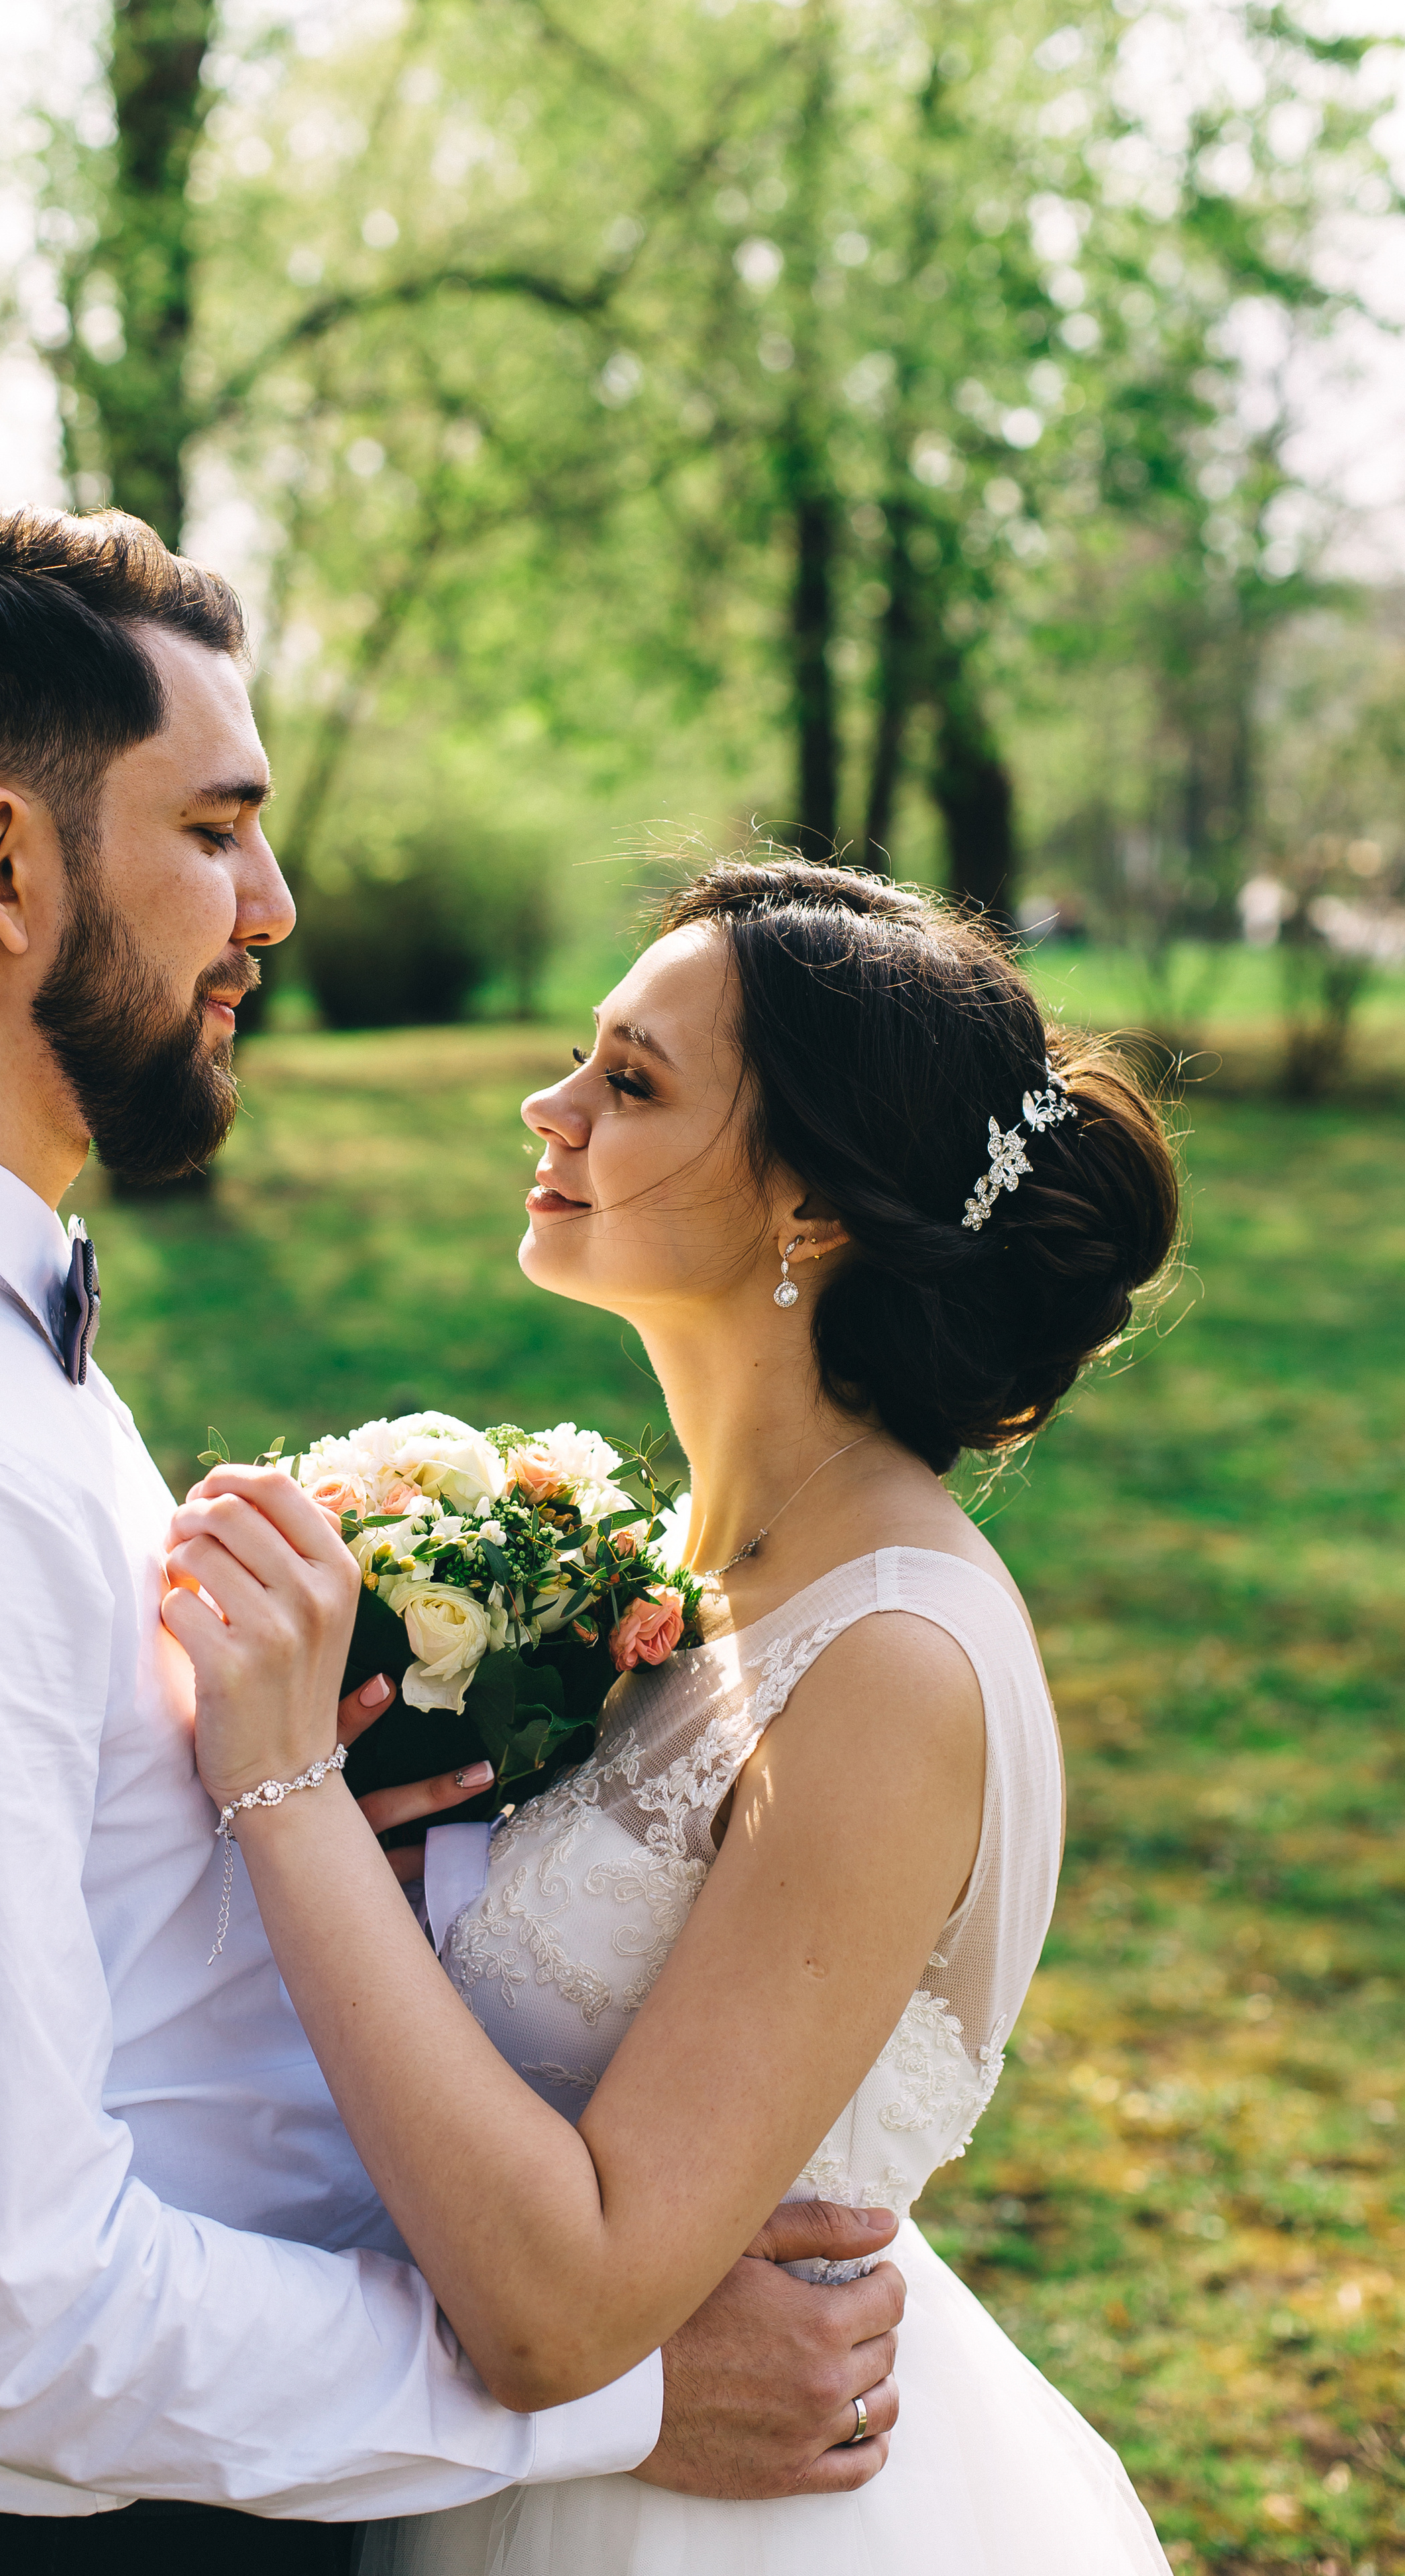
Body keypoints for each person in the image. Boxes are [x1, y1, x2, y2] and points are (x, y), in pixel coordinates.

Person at [0, 516, 903, 2573]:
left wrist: (278, 1787)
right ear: (2, 869)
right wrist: (613, 2395)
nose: (277, 904)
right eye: (218, 833)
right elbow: (5, 2315)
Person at [162, 861, 1182, 2574]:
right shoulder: (682, 1590)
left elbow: (563, 2314)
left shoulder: (890, 1666)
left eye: (630, 1082)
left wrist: (284, 1788)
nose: (544, 1105)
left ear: (811, 1212)